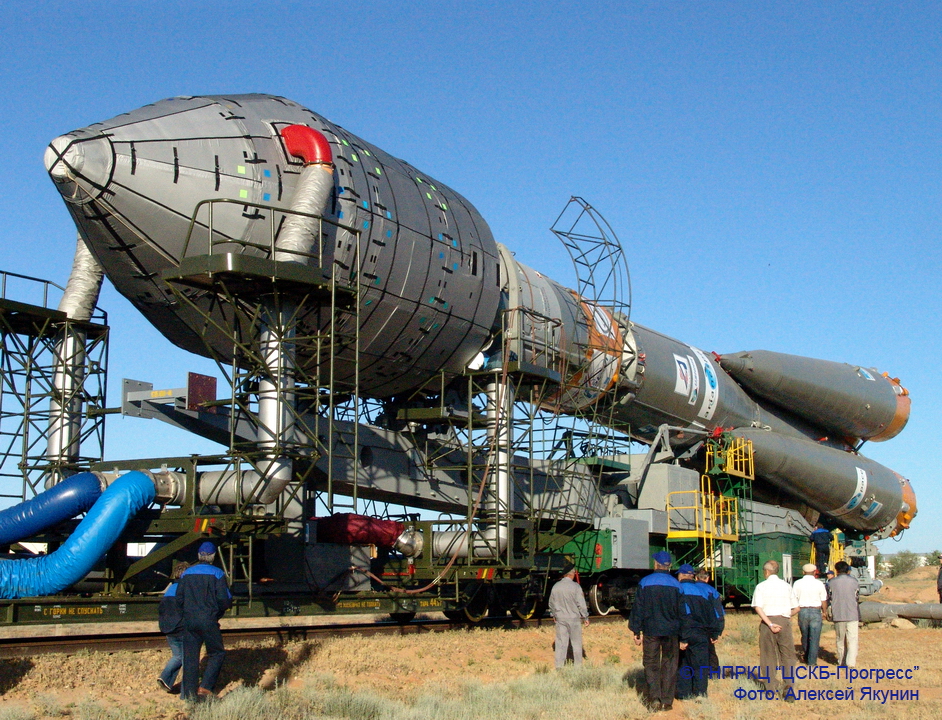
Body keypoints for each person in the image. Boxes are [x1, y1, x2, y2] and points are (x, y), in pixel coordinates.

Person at [629, 550, 683, 712]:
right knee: (670, 664)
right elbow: (682, 612)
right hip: (671, 632)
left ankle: (654, 699)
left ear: (655, 564)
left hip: (651, 631)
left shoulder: (645, 582)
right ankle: (667, 701)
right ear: (669, 566)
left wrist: (636, 631)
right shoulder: (677, 585)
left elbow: (638, 608)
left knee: (651, 663)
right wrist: (684, 636)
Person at [178, 541, 232, 701]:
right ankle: (206, 687)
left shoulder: (186, 573)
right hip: (209, 619)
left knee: (190, 657)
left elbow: (179, 598)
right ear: (213, 556)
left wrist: (186, 613)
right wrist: (217, 613)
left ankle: (189, 694)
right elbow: (224, 600)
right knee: (217, 653)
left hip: (189, 620)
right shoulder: (218, 573)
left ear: (198, 555)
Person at [750, 559, 799, 700]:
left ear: (766, 571)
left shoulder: (761, 587)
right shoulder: (787, 586)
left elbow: (758, 607)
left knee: (768, 656)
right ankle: (788, 687)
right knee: (787, 656)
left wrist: (770, 624)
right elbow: (797, 608)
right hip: (784, 622)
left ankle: (770, 688)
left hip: (767, 623)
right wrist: (785, 616)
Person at [676, 564, 724, 699]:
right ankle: (700, 694)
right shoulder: (703, 591)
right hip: (701, 633)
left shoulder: (677, 589)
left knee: (683, 663)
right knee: (700, 664)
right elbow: (714, 614)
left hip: (683, 633)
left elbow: (681, 615)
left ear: (681, 575)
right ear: (693, 576)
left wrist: (682, 637)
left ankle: (684, 694)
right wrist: (715, 632)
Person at [547, 564, 589, 668]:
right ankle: (578, 667)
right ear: (572, 574)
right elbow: (581, 604)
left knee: (561, 643)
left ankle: (559, 666)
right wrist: (585, 617)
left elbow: (551, 603)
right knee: (576, 643)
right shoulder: (576, 587)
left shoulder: (556, 586)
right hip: (574, 619)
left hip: (561, 619)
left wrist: (554, 614)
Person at [157, 561, 190, 693]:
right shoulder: (185, 590)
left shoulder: (169, 590)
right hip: (181, 628)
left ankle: (166, 680)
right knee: (186, 658)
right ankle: (186, 688)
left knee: (177, 656)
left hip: (168, 628)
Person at [792, 563, 828, 665]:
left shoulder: (797, 583)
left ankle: (806, 655)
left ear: (803, 572)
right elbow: (823, 600)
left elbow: (793, 598)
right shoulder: (819, 584)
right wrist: (824, 612)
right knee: (814, 637)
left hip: (802, 611)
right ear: (814, 572)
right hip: (816, 611)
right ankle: (812, 662)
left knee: (805, 635)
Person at [829, 560, 860, 667]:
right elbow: (857, 597)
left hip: (838, 614)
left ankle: (841, 661)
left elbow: (829, 598)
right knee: (852, 639)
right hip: (852, 614)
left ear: (836, 570)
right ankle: (850, 662)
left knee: (840, 639)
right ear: (847, 570)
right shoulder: (854, 581)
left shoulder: (831, 582)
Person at [695, 569, 722, 674]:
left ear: (696, 578)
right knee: (710, 651)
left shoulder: (690, 588)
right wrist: (717, 632)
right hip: (708, 627)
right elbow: (718, 613)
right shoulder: (712, 591)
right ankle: (713, 673)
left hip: (692, 626)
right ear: (707, 579)